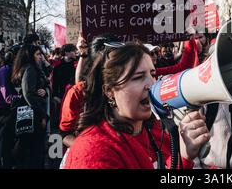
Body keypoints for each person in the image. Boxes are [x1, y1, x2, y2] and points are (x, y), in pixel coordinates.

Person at [62, 43, 210, 169]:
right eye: (138, 77)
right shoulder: (92, 151)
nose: (152, 85)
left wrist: (183, 155)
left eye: (152, 74)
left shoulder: (156, 129)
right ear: (110, 91)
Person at [11, 44, 49, 169]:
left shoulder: (29, 68)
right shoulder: (30, 69)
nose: (40, 57)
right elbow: (28, 94)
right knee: (34, 149)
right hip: (33, 114)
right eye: (37, 54)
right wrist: (42, 115)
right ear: (30, 56)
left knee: (29, 147)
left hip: (30, 112)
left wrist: (43, 89)